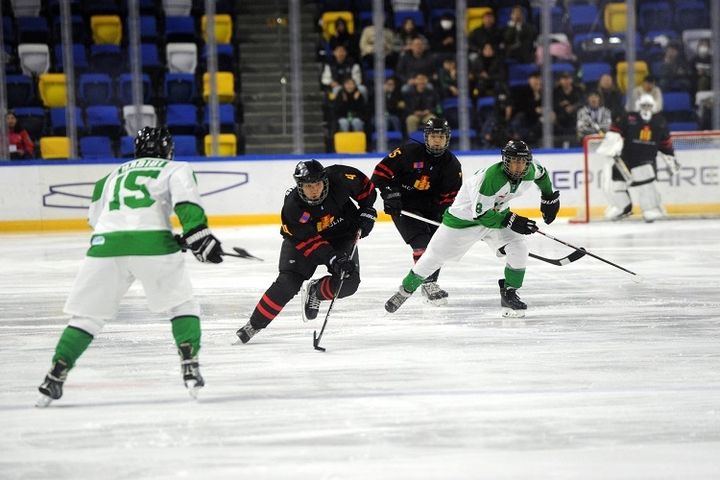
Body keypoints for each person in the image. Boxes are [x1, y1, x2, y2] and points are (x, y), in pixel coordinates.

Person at [36, 127, 224, 407]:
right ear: (167, 149)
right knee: (183, 307)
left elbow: (97, 220)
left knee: (86, 318)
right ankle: (189, 363)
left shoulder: (108, 177)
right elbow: (186, 204)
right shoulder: (176, 168)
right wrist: (198, 236)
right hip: (153, 245)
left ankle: (56, 374)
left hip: (105, 246)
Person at [384, 140, 560, 318]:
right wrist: (512, 219)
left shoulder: (530, 170)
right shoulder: (492, 178)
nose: (518, 166)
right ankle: (405, 291)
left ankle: (509, 293)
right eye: (514, 161)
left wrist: (549, 197)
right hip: (463, 222)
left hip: (496, 216)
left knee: (519, 247)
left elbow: (542, 175)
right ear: (505, 161)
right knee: (432, 258)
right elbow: (482, 215)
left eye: (522, 162)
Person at [236, 160, 377, 343]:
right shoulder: (292, 208)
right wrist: (333, 258)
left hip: (342, 235)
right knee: (287, 284)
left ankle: (316, 291)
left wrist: (367, 210)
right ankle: (254, 325)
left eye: (317, 184)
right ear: (299, 185)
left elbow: (366, 188)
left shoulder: (341, 178)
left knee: (348, 283)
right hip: (303, 241)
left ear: (325, 181)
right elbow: (309, 241)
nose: (314, 190)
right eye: (308, 186)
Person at [371, 117, 462, 305]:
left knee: (438, 244)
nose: (437, 140)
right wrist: (390, 194)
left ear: (447, 139)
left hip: (432, 209)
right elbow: (379, 174)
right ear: (426, 137)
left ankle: (429, 281)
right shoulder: (407, 152)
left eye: (441, 136)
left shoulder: (452, 164)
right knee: (421, 243)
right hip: (404, 207)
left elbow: (450, 196)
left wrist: (447, 218)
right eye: (433, 136)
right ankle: (428, 283)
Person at [597, 94, 677, 223]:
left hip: (646, 160)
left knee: (646, 187)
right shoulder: (629, 117)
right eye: (643, 105)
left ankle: (651, 209)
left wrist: (671, 158)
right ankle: (622, 207)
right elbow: (615, 130)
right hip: (626, 159)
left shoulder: (659, 121)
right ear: (639, 106)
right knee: (616, 185)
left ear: (654, 107)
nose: (646, 108)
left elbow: (665, 143)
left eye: (648, 106)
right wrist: (612, 145)